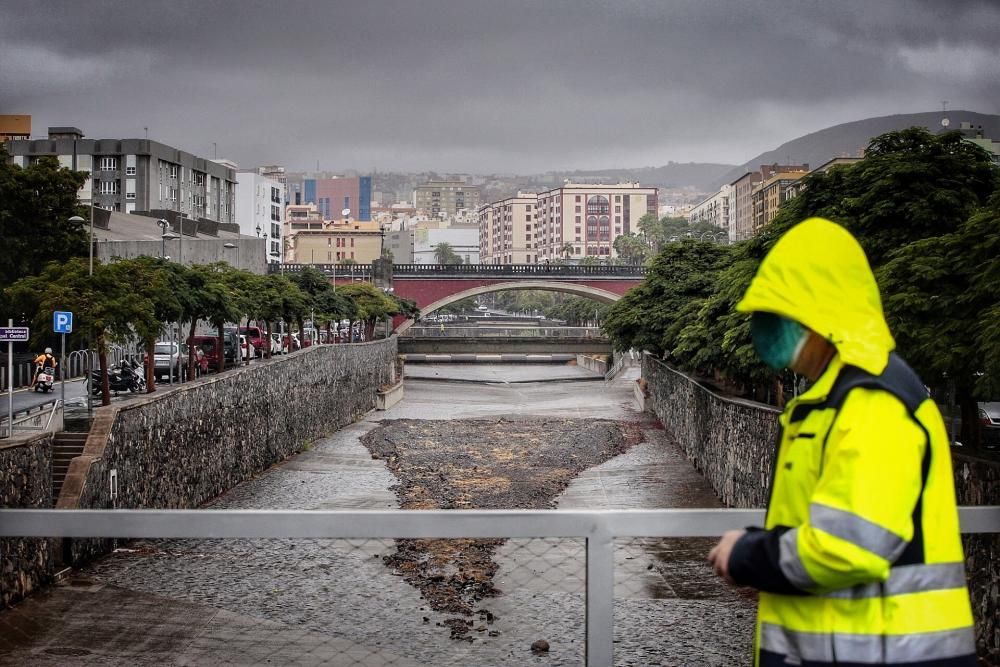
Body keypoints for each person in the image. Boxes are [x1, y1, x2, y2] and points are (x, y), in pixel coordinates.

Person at [708, 218, 976, 666]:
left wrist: (749, 554)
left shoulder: (873, 404)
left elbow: (849, 546)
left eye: (777, 317)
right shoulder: (835, 401)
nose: (765, 331)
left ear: (820, 317)